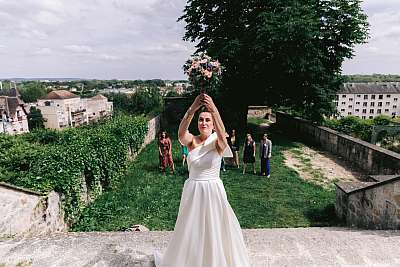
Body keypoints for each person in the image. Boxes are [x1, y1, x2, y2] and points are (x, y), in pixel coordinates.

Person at [154, 94, 250, 267]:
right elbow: (181, 133)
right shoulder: (191, 141)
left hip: (213, 189)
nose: (203, 123)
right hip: (193, 190)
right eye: (201, 120)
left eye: (207, 120)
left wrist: (213, 108)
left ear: (213, 125)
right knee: (191, 229)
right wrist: (192, 109)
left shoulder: (218, 143)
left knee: (215, 228)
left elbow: (222, 134)